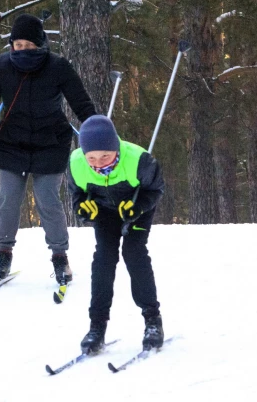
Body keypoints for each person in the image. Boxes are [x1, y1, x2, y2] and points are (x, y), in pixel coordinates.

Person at [0, 14, 96, 285]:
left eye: (28, 45)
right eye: (17, 44)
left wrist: (99, 134)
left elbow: (82, 103)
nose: (22, 50)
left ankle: (60, 257)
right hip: (12, 142)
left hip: (51, 141)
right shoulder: (0, 67)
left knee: (47, 198)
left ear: (40, 45)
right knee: (8, 199)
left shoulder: (58, 66)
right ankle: (3, 254)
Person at [68, 115, 166, 353]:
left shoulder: (139, 160)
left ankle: (152, 320)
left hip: (135, 208)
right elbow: (77, 194)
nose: (98, 163)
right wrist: (82, 208)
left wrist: (139, 206)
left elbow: (156, 189)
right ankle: (97, 326)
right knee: (104, 258)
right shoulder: (76, 162)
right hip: (104, 210)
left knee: (134, 253)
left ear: (116, 148)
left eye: (105, 156)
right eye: (91, 157)